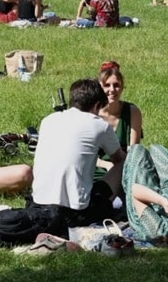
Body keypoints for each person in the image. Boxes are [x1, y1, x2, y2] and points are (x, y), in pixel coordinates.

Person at [31, 78, 126, 227]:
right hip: (75, 214)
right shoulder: (99, 125)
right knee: (124, 163)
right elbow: (118, 159)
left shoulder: (48, 120)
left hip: (37, 204)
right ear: (96, 105)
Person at [96, 61, 143, 176]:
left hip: (123, 168)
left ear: (122, 88)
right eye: (107, 85)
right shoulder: (92, 113)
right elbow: (83, 153)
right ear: (99, 88)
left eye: (116, 85)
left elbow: (134, 152)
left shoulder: (132, 112)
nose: (112, 89)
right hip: (95, 168)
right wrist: (106, 165)